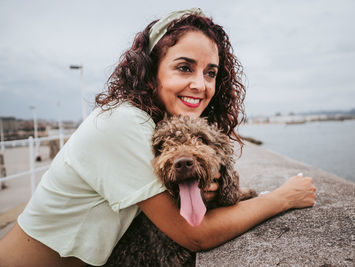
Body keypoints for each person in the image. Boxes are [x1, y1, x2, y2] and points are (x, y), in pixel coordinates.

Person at [0, 8, 316, 266]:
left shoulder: (153, 122)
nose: (201, 84)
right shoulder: (123, 122)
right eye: (184, 67)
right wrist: (284, 197)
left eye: (210, 73)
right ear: (152, 71)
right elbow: (195, 235)